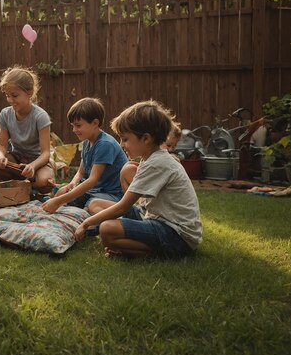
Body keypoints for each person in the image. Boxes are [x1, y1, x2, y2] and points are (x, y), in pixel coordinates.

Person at [75, 100, 203, 259]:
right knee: (96, 203)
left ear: (146, 139)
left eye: (125, 139)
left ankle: (149, 253)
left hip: (177, 235)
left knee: (107, 229)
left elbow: (122, 208)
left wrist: (85, 224)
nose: (122, 144)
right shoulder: (151, 159)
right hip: (154, 217)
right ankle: (127, 244)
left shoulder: (157, 164)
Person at [42, 97, 127, 213]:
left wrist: (58, 201)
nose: (74, 130)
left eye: (78, 125)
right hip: (94, 190)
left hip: (111, 194)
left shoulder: (105, 145)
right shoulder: (87, 142)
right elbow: (81, 172)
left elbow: (92, 180)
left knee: (89, 207)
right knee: (62, 191)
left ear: (95, 123)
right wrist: (72, 183)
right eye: (73, 125)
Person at [0, 66, 54, 193]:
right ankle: (21, 183)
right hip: (17, 161)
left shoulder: (40, 117)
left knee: (44, 182)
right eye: (7, 95)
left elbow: (45, 153)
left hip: (38, 162)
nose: (10, 100)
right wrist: (1, 156)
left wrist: (32, 166)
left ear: (29, 92)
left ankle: (26, 186)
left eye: (14, 95)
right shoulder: (5, 114)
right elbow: (2, 146)